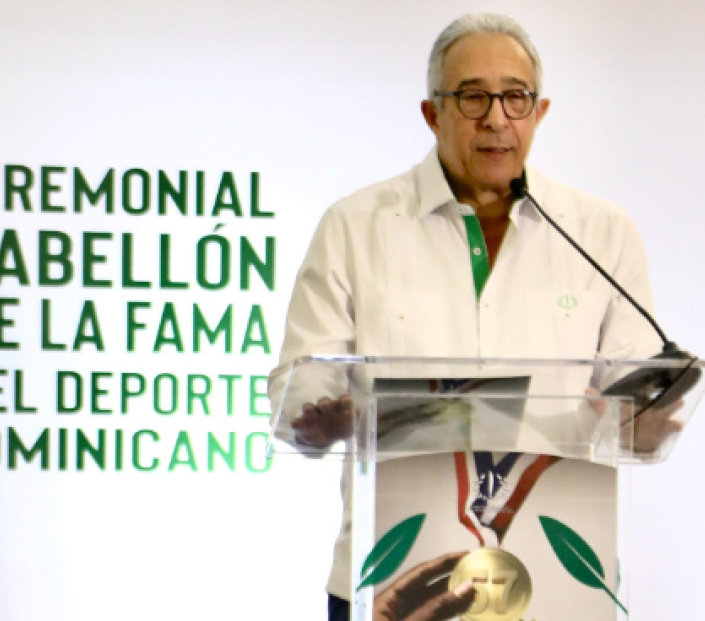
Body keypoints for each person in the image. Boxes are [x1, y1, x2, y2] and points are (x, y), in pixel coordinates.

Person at [269, 13, 666, 621]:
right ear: (432, 114)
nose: (497, 118)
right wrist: (321, 416)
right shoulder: (355, 226)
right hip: (393, 577)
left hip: (556, 582)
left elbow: (634, 392)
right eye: (473, 97)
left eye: (515, 97)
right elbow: (299, 386)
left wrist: (645, 422)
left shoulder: (601, 232)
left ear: (540, 112)